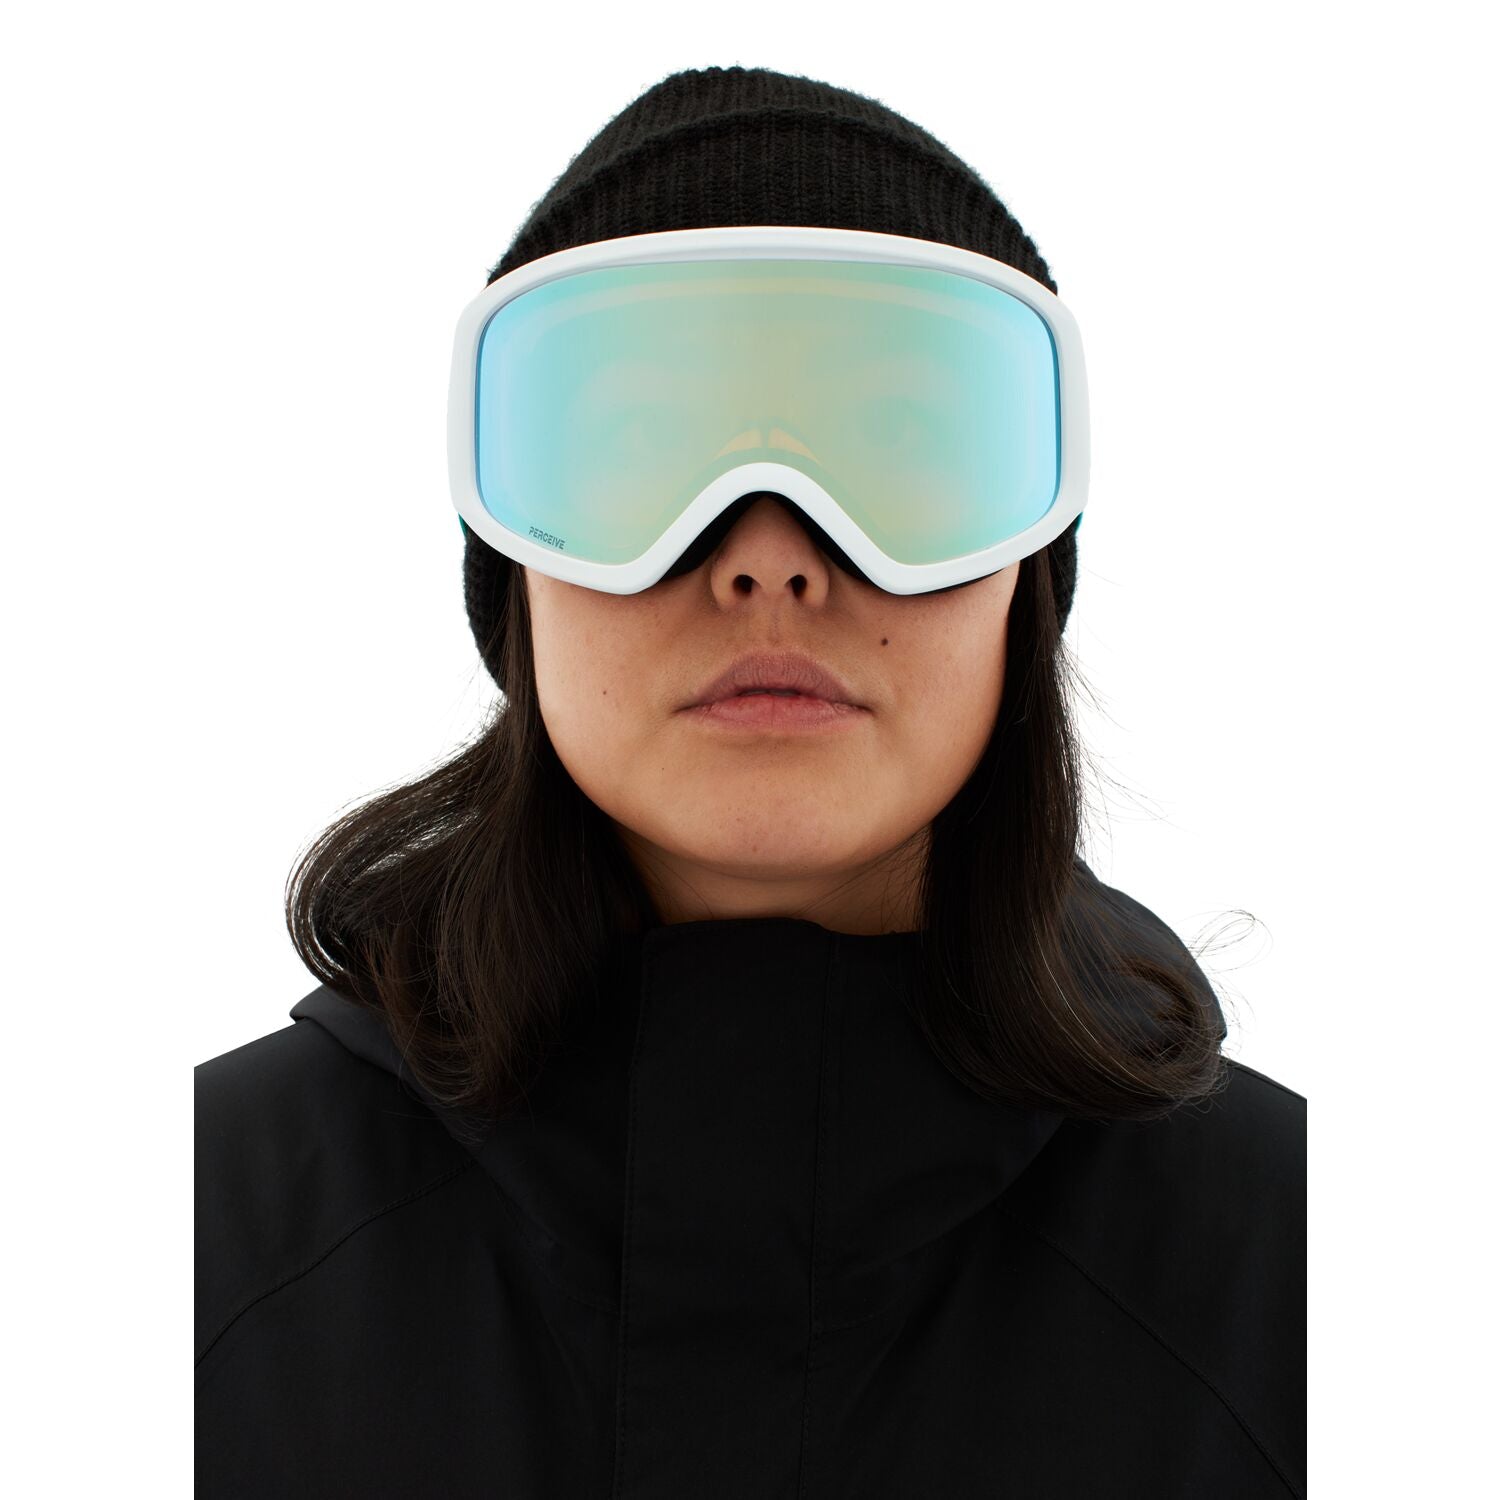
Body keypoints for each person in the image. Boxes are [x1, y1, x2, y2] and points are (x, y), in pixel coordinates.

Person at [196, 64, 1306, 1499]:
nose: (769, 556)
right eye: (636, 443)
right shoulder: (179, 1250)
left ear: (1025, 576)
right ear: (515, 574)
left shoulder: (1312, 1287)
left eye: (903, 442)